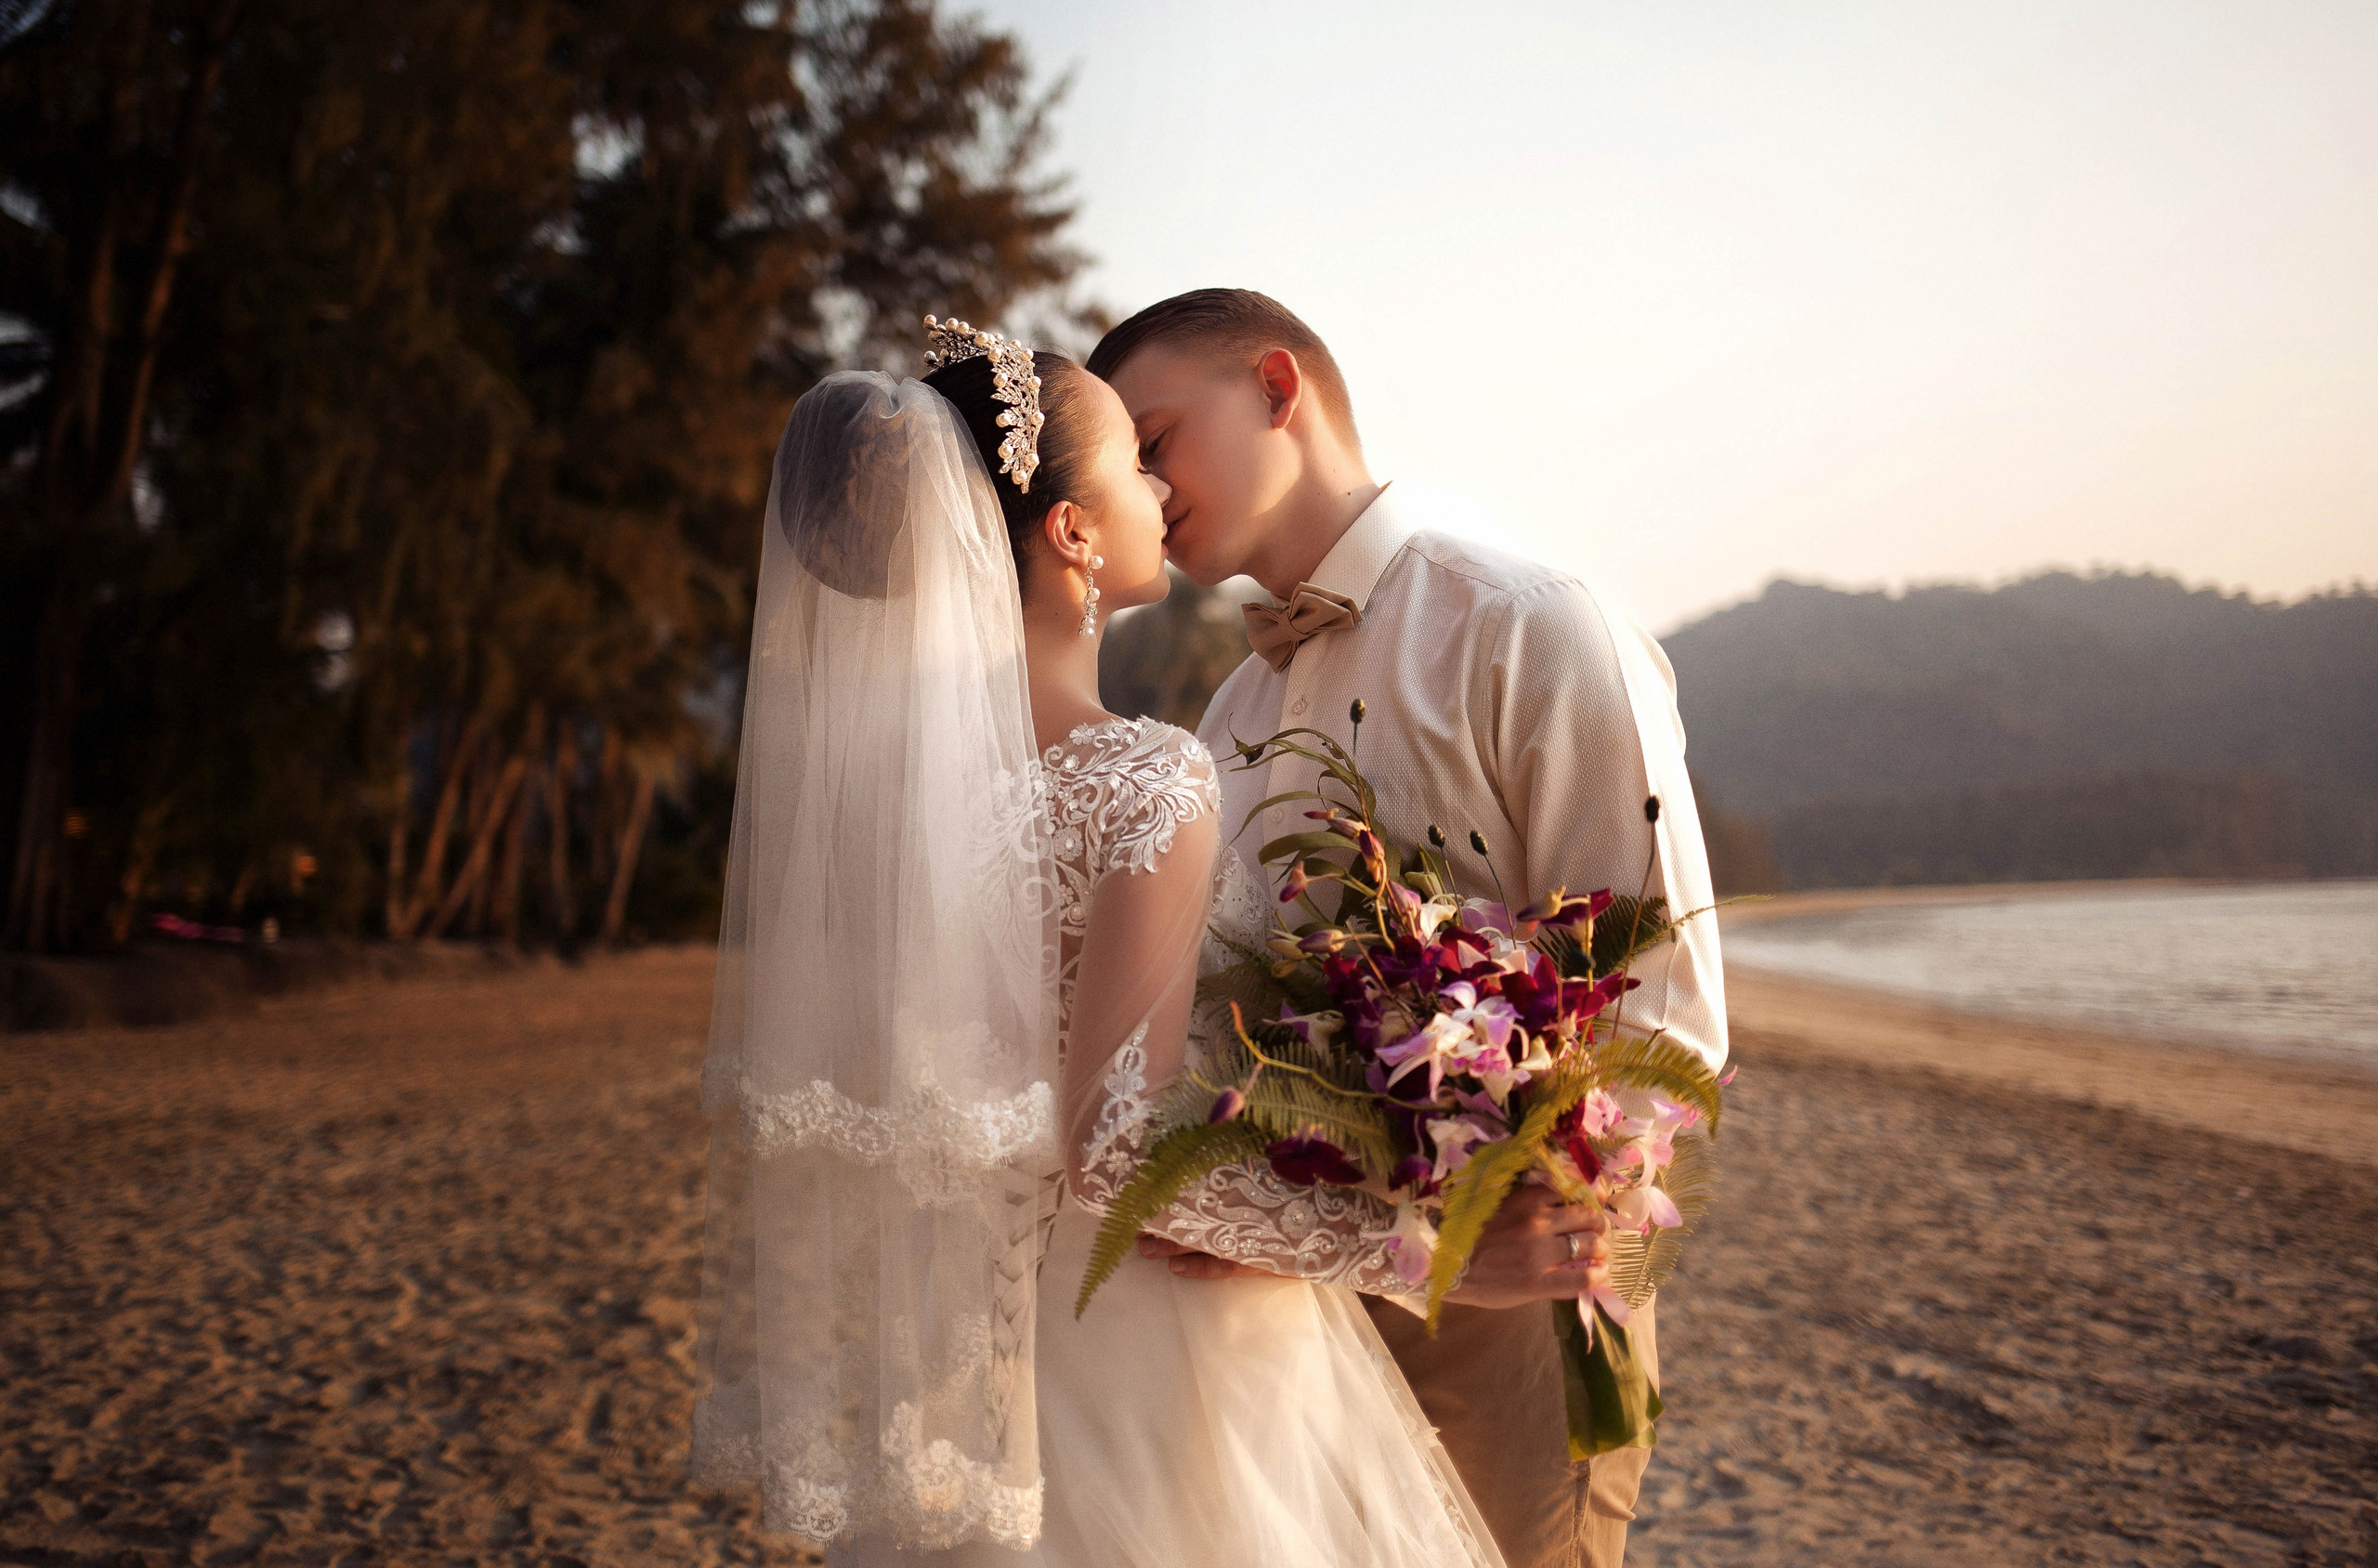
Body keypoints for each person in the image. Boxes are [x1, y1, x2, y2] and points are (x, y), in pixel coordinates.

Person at [688, 318, 1603, 1564]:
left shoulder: (880, 800)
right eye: (1135, 460)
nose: (1161, 493)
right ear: (1073, 532)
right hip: (1155, 1335)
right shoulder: (1146, 776)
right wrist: (1417, 1246)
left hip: (995, 1335)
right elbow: (1115, 1152)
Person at [1087, 288, 1731, 1568]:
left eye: (1155, 442)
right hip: (1289, 1316)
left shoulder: (1531, 626)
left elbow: (1662, 1004)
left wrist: (1488, 1224)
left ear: (1277, 388)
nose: (1145, 491)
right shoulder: (1229, 713)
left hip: (1523, 1291)